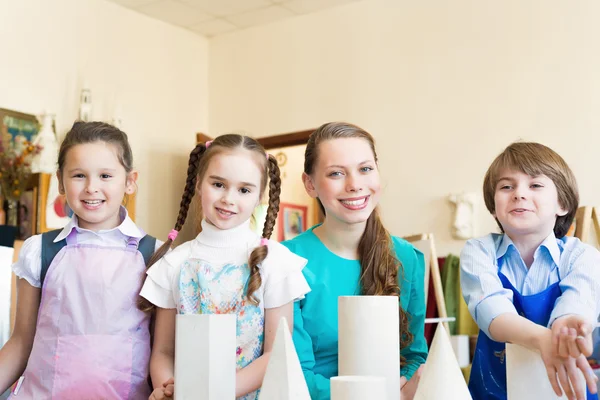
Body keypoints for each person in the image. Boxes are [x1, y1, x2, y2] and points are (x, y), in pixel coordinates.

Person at [139, 134, 310, 400]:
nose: (229, 198)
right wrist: (169, 389)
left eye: (244, 190)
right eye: (218, 184)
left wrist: (216, 393)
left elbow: (276, 354)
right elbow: (163, 352)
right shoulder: (174, 263)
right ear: (198, 184)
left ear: (259, 196)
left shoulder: (275, 261)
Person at [0, 121, 159, 399]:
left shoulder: (154, 255)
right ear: (60, 180)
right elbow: (21, 342)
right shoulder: (40, 251)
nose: (91, 187)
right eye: (79, 176)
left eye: (105, 176)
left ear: (130, 181)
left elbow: (162, 352)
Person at [282, 122, 428, 400]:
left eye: (365, 169)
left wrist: (399, 389)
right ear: (310, 184)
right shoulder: (286, 262)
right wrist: (372, 396)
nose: (355, 185)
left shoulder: (407, 257)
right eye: (336, 173)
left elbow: (414, 354)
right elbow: (294, 371)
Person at [461, 141, 600, 400]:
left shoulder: (583, 256)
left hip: (566, 391)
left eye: (535, 185)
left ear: (563, 204)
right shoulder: (479, 251)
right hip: (494, 392)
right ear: (493, 206)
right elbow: (493, 312)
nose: (519, 194)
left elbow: (579, 301)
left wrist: (568, 326)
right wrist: (546, 340)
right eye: (506, 186)